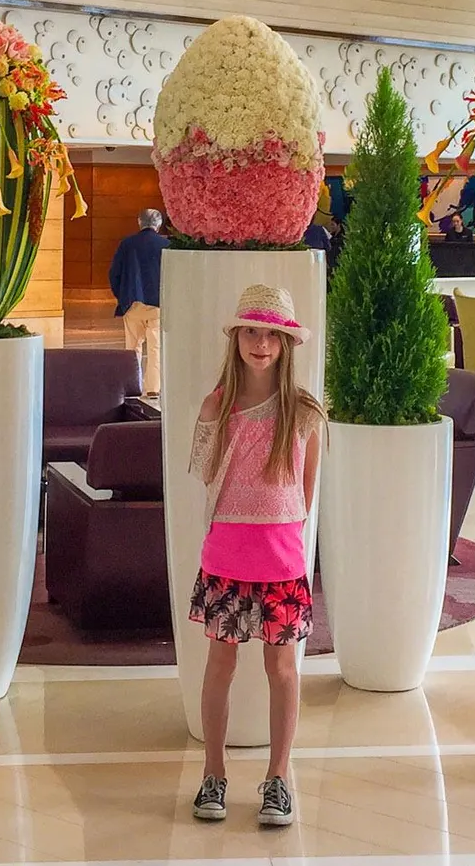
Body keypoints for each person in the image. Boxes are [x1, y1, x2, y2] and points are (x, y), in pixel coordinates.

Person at [185, 284, 324, 828]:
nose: (261, 343)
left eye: (271, 334)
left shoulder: (305, 413)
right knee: (220, 664)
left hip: (282, 563)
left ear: (285, 343)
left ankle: (278, 777)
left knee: (282, 668)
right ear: (237, 338)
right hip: (225, 559)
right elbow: (206, 475)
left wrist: (281, 538)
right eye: (251, 332)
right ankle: (213, 772)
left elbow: (304, 495)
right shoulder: (216, 406)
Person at [109, 208, 170, 395]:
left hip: (133, 302)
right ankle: (153, 389)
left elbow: (114, 273)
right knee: (156, 348)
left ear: (139, 222)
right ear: (159, 224)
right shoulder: (167, 245)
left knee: (132, 348)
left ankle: (132, 388)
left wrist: (122, 296)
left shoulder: (127, 244)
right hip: (159, 304)